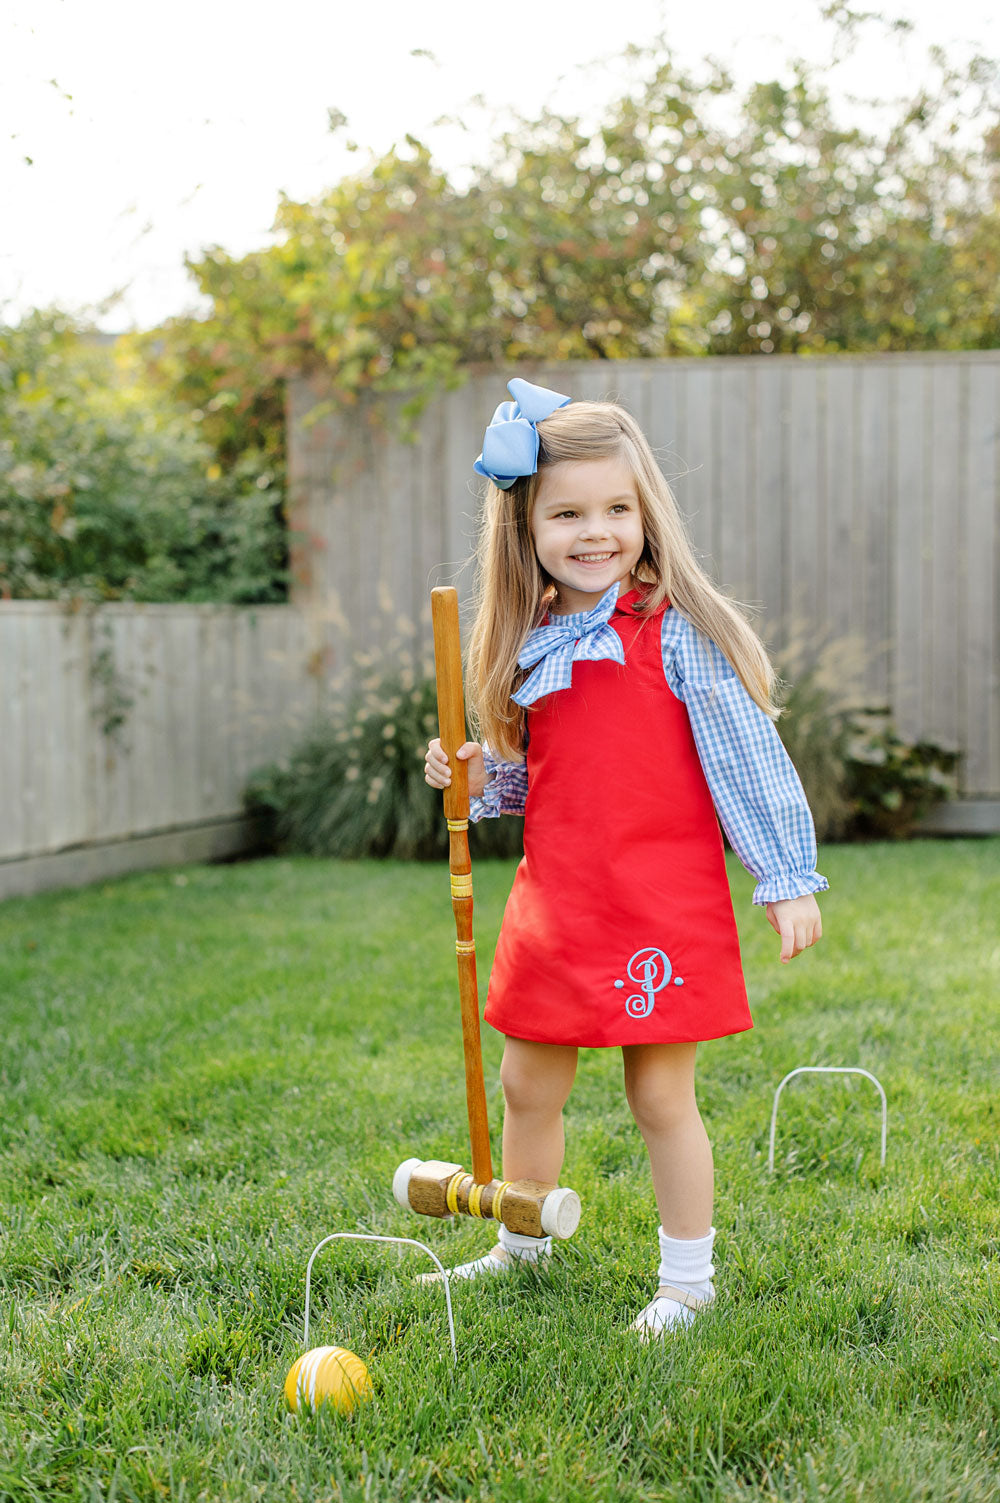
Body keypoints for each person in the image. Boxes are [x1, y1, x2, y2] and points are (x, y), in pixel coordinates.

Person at [423, 376, 826, 1339]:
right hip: (558, 902)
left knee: (658, 1092)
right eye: (566, 513)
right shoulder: (529, 642)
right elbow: (538, 776)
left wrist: (786, 874)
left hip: (657, 906)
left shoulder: (674, 634)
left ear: (647, 516)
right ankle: (520, 1235)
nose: (593, 530)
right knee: (528, 1081)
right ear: (525, 529)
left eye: (616, 509)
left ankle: (689, 1278)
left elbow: (743, 759)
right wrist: (475, 779)